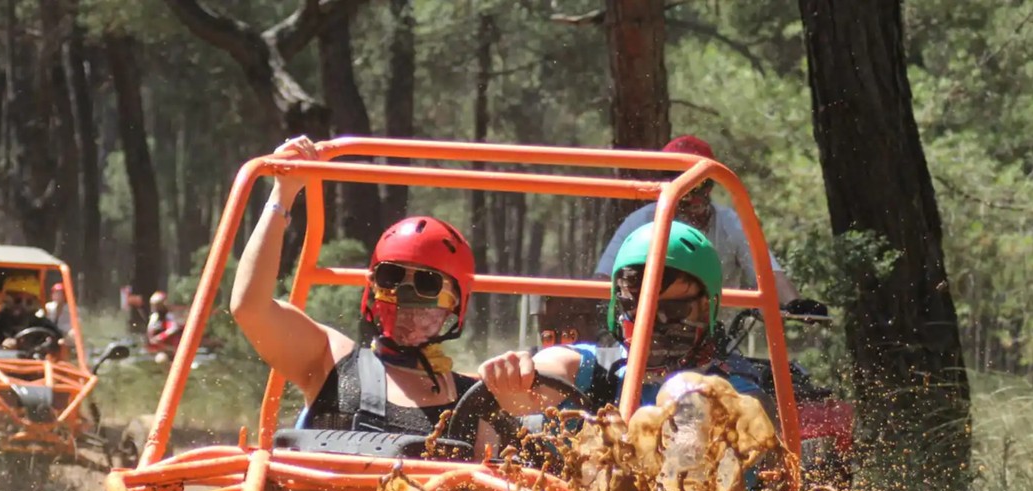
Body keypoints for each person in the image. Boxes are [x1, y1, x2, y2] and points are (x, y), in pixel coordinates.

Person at [231, 136, 495, 436]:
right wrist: (283, 193)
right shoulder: (331, 359)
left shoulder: (474, 400)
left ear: (455, 302)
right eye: (391, 277)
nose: (404, 292)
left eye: (426, 282)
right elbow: (249, 308)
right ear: (372, 286)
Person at [482, 221, 771, 418]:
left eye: (673, 310)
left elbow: (751, 428)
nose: (652, 323)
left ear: (707, 308)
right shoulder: (595, 370)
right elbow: (551, 370)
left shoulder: (736, 390)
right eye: (636, 308)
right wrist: (515, 375)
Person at [595, 135, 803, 309]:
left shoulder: (732, 224)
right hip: (644, 337)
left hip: (717, 343)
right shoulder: (641, 222)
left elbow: (768, 274)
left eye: (695, 182)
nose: (685, 190)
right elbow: (602, 281)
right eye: (675, 178)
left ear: (709, 185)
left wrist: (795, 303)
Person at [0, 272, 61, 350]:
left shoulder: (43, 324)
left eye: (29, 302)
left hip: (35, 366)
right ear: (7, 300)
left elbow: (58, 342)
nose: (22, 306)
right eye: (17, 300)